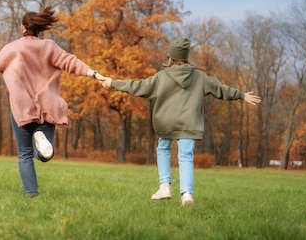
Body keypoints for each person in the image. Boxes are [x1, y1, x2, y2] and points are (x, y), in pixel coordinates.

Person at [0, 6, 105, 197]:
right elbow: (70, 62)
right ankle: (41, 137)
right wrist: (94, 74)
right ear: (39, 28)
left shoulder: (11, 49)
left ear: (23, 27)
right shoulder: (50, 46)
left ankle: (31, 194)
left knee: (24, 154)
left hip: (21, 107)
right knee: (44, 154)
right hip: (48, 105)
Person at [97, 37, 261, 206]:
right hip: (189, 124)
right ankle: (187, 194)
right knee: (186, 157)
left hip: (165, 121)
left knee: (163, 148)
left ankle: (165, 186)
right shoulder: (200, 77)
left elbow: (138, 87)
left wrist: (113, 83)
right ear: (186, 57)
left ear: (171, 57)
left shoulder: (162, 76)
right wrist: (242, 95)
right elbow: (220, 89)